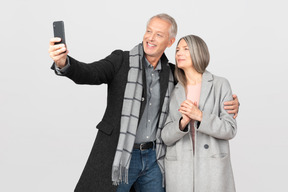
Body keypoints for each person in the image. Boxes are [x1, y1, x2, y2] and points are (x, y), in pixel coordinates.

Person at [48, 14, 239, 192]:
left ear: (170, 42)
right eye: (149, 31)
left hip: (154, 159)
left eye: (159, 34)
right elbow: (90, 72)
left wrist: (231, 104)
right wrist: (64, 63)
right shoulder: (121, 61)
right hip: (121, 156)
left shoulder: (172, 74)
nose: (151, 38)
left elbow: (199, 84)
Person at [161, 34, 237, 192]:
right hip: (180, 170)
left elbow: (230, 129)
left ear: (198, 52)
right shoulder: (173, 89)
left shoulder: (220, 84)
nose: (179, 53)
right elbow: (166, 137)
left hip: (212, 169)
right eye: (177, 50)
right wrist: (182, 123)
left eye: (186, 49)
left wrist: (200, 116)